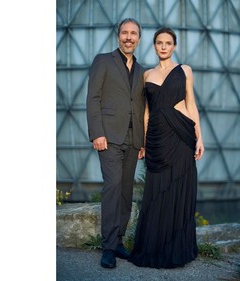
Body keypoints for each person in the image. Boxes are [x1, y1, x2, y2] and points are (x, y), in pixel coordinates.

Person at [127, 27, 205, 269]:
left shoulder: (185, 71)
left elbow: (191, 105)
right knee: (157, 191)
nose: (163, 46)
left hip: (181, 134)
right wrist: (143, 141)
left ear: (174, 46)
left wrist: (199, 137)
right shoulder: (146, 75)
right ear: (154, 45)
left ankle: (176, 248)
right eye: (159, 42)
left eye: (168, 43)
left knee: (179, 187)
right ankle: (154, 246)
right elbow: (147, 113)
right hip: (158, 137)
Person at [86, 18, 145, 269]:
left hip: (133, 140)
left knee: (125, 191)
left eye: (133, 34)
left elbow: (141, 107)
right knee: (113, 187)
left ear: (138, 39)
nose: (128, 37)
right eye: (125, 33)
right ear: (118, 36)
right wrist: (97, 132)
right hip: (109, 136)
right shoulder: (103, 60)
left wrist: (142, 141)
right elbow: (93, 98)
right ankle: (108, 247)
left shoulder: (143, 71)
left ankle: (119, 241)